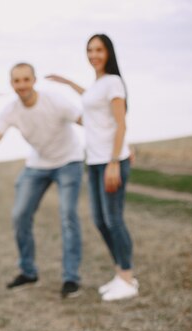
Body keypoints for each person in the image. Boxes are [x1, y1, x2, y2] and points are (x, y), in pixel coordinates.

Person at [0, 63, 84, 298]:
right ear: (12, 84)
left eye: (26, 80)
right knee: (19, 215)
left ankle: (71, 278)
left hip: (69, 161)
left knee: (67, 216)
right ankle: (28, 272)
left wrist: (120, 147)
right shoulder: (11, 110)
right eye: (17, 81)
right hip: (38, 164)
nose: (22, 85)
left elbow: (90, 122)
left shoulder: (55, 100)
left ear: (34, 80)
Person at [47, 34, 138, 301]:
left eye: (99, 50)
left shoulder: (113, 83)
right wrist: (67, 82)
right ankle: (120, 272)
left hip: (111, 161)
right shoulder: (99, 84)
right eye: (89, 50)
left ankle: (128, 278)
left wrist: (114, 161)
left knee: (114, 220)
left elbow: (121, 124)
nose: (93, 54)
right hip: (96, 161)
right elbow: (91, 99)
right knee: (100, 221)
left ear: (108, 52)